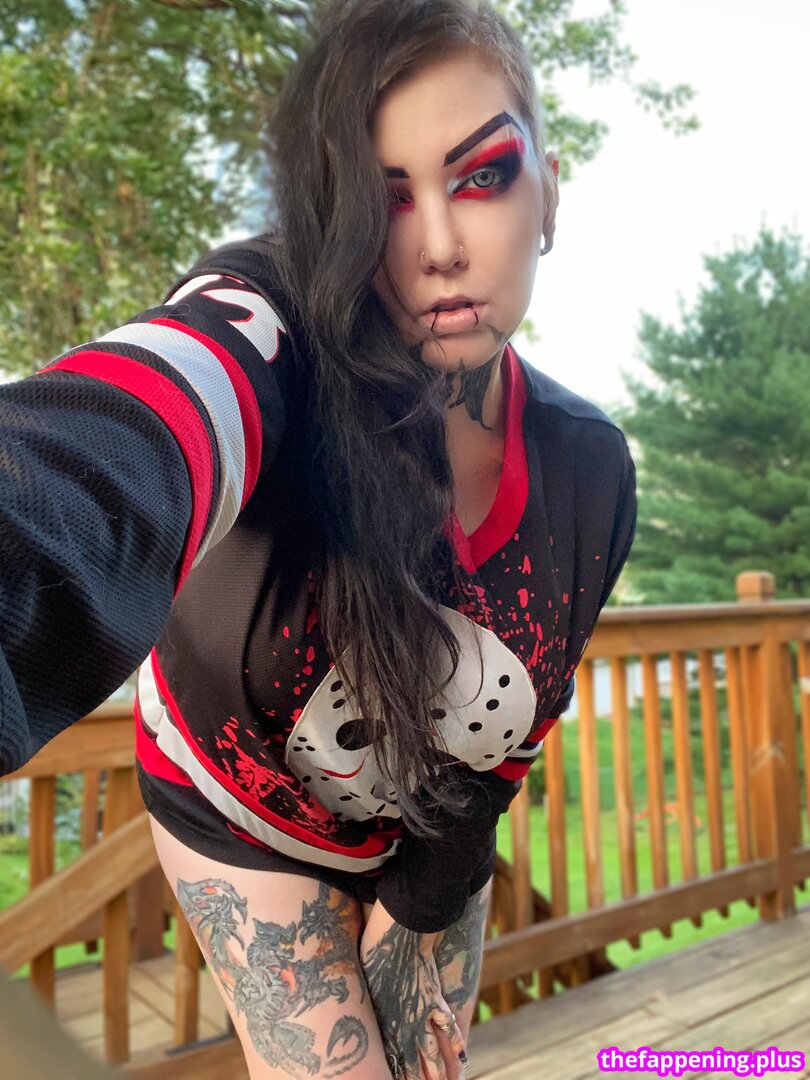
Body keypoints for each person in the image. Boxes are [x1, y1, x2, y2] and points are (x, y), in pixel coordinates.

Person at [0, 1, 636, 1077]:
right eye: (382, 200)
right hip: (238, 815)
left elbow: (505, 739)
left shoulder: (589, 474)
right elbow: (127, 433)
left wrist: (420, 909)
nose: (439, 248)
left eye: (482, 176)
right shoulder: (268, 328)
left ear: (550, 193)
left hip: (431, 819)